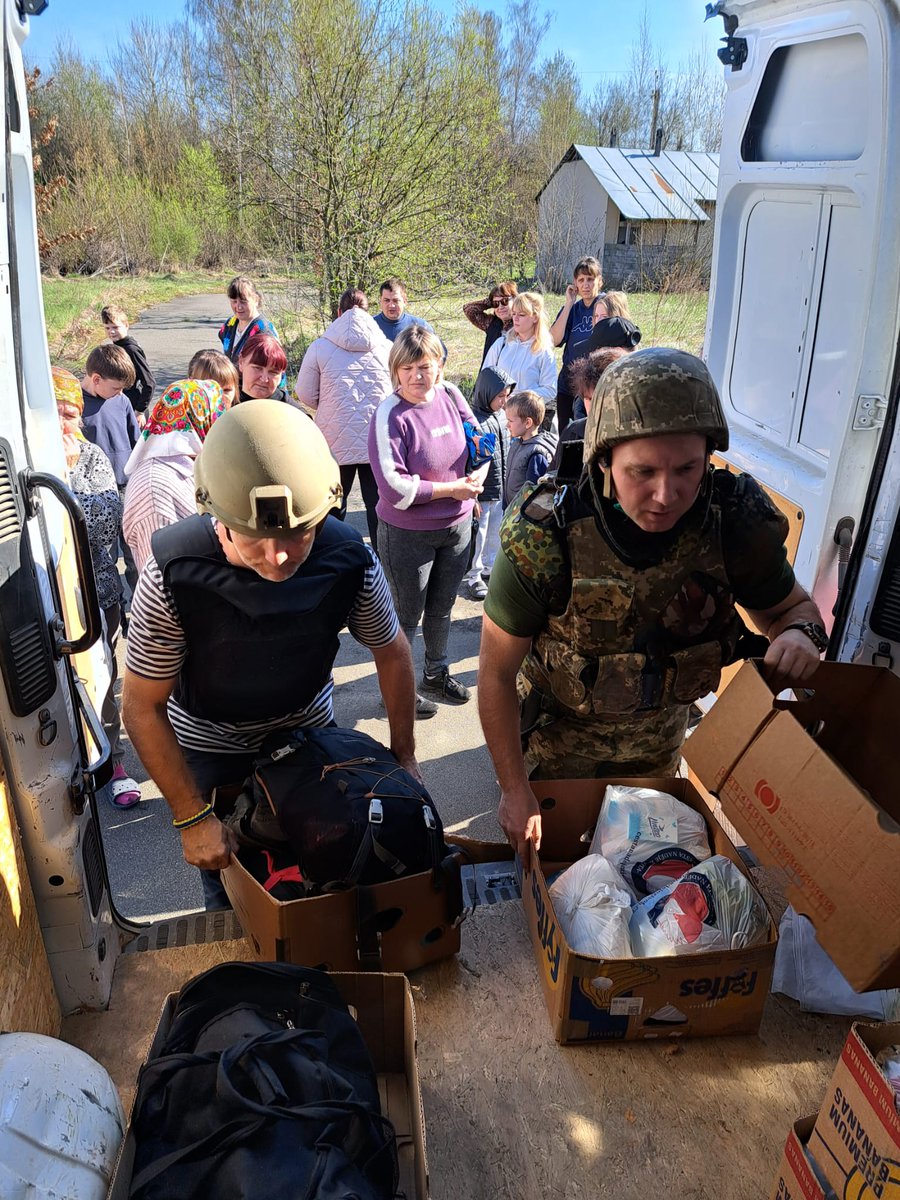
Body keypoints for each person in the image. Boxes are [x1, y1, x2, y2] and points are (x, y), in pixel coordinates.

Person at [478, 347, 829, 857]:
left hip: (659, 759)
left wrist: (801, 634)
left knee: (644, 887)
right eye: (642, 472)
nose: (666, 494)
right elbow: (494, 674)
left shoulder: (733, 522)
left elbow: (792, 611)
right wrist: (513, 790)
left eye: (687, 469)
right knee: (561, 887)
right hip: (555, 761)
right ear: (605, 458)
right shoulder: (546, 536)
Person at [122, 399, 418, 909]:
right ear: (217, 516)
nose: (277, 557)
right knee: (237, 893)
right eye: (254, 539)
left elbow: (392, 652)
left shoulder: (349, 559)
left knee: (331, 866)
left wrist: (404, 752)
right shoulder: (172, 574)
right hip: (211, 746)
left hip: (308, 730)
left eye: (297, 535)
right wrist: (193, 817)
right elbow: (140, 706)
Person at [368, 325, 485, 714]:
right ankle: (396, 690)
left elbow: (479, 443)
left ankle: (435, 673)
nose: (418, 376)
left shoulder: (451, 395)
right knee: (405, 615)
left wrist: (477, 480)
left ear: (440, 366)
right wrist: (452, 490)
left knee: (442, 607)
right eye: (408, 368)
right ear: (395, 371)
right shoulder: (390, 414)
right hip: (407, 535)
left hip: (457, 528)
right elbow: (394, 488)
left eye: (426, 366)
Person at [53, 367, 141, 808]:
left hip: (95, 592)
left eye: (71, 413)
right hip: (45, 598)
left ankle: (114, 762)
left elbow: (106, 524)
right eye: (56, 413)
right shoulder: (25, 459)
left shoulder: (90, 457)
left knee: (103, 678)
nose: (65, 423)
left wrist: (65, 483)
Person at [294, 286, 392, 547]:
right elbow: (398, 392)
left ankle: (331, 554)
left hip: (334, 438)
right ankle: (381, 562)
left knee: (333, 502)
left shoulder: (320, 347)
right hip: (376, 438)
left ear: (338, 312)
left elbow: (304, 392)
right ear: (369, 312)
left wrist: (326, 406)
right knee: (377, 505)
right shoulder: (387, 347)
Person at [122, 379, 227, 571]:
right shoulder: (155, 488)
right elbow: (161, 575)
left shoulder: (193, 464)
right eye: (218, 415)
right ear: (202, 419)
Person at [80, 343, 142, 607]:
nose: (119, 393)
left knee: (135, 555)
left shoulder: (122, 401)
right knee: (102, 556)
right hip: (94, 495)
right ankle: (110, 607)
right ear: (96, 379)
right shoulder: (76, 407)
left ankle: (140, 607)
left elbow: (136, 441)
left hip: (126, 487)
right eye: (115, 387)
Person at [461, 366, 515, 600]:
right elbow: (470, 461)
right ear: (486, 393)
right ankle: (474, 575)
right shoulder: (475, 422)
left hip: (499, 489)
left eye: (506, 396)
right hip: (482, 492)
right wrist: (472, 496)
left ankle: (490, 569)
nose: (504, 401)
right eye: (500, 396)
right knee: (479, 535)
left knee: (495, 532)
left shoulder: (502, 416)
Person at [549, 257, 605, 433]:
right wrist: (568, 304)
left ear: (600, 281)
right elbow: (553, 340)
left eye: (590, 279)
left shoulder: (606, 306)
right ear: (575, 283)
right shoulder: (574, 309)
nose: (586, 285)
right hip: (568, 382)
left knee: (590, 435)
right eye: (581, 280)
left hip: (593, 382)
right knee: (566, 435)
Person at [482, 292, 557, 408]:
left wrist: (520, 398)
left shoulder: (544, 351)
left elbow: (550, 390)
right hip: (498, 413)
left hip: (526, 416)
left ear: (535, 317)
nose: (515, 318)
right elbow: (485, 378)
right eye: (514, 313)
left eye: (521, 315)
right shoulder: (501, 344)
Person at [560, 346, 631, 442]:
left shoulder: (644, 434)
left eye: (602, 398)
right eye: (589, 399)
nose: (594, 406)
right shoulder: (573, 434)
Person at [503, 391, 558, 507]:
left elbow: (535, 494)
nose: (507, 425)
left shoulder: (536, 454)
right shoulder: (517, 444)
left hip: (522, 518)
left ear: (528, 423)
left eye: (510, 421)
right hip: (511, 512)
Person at [101, 304, 155, 417]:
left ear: (126, 326)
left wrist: (139, 410)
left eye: (115, 327)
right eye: (107, 328)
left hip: (133, 408)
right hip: (121, 405)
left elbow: (149, 382)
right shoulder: (117, 347)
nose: (111, 331)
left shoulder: (131, 350)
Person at [217, 276, 280, 366]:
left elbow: (274, 368)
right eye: (234, 301)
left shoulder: (264, 331)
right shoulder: (229, 325)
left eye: (243, 301)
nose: (238, 307)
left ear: (256, 300)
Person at [236, 334, 301, 407]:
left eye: (273, 372)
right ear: (241, 362)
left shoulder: (291, 411)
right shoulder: (224, 402)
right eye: (257, 368)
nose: (264, 379)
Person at [463, 281, 518, 367]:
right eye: (496, 303)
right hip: (490, 376)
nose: (500, 307)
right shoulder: (491, 323)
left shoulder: (522, 323)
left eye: (505, 301)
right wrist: (490, 301)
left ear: (515, 300)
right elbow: (468, 309)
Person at [585, 290, 642, 356]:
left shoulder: (631, 351)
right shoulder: (593, 342)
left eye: (604, 316)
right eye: (596, 316)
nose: (598, 321)